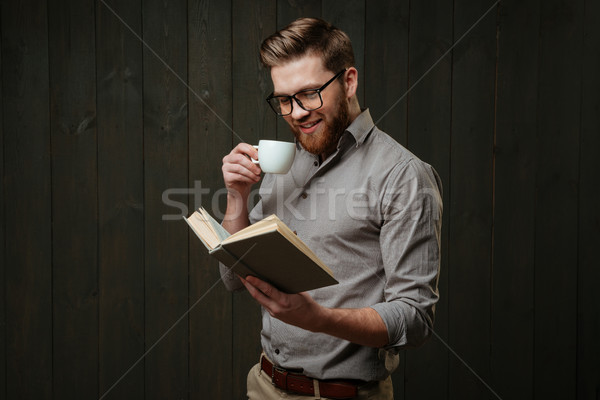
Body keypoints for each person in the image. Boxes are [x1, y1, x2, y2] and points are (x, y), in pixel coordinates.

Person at [220, 17, 442, 400]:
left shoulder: (403, 175)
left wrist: (318, 319)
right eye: (285, 100)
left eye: (309, 93)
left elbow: (416, 317)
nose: (297, 112)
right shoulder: (283, 162)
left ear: (349, 81)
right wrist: (237, 195)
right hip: (263, 385)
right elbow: (233, 277)